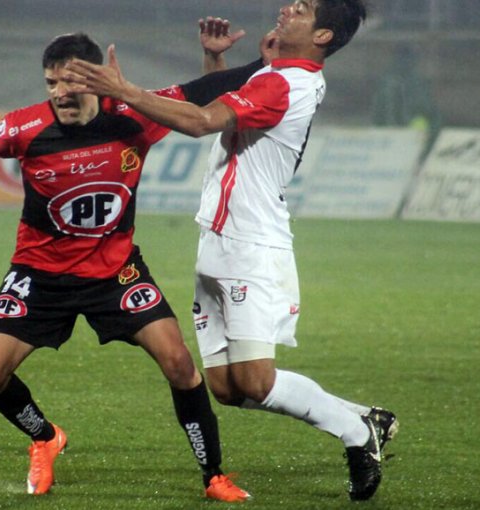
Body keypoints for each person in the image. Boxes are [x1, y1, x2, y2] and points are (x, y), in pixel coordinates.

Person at [0, 24, 275, 501]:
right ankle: (45, 437)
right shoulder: (27, 127)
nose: (60, 93)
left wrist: (267, 64)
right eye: (51, 83)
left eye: (70, 81)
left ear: (97, 78)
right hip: (39, 274)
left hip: (116, 271)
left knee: (180, 366)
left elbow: (204, 93)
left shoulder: (135, 114)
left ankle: (214, 476)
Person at [65, 0, 398, 501]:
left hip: (252, 247)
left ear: (324, 35)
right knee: (227, 388)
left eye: (304, 9)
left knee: (257, 382)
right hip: (218, 241)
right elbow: (229, 118)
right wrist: (218, 66)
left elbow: (202, 123)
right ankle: (361, 417)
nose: (289, 8)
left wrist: (123, 91)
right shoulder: (279, 75)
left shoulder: (282, 83)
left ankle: (357, 435)